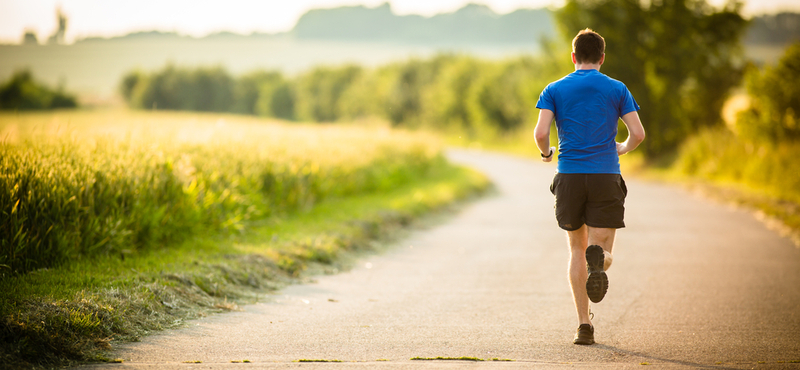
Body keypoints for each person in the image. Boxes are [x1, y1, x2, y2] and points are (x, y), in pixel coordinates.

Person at [533, 28, 646, 345]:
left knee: (575, 250)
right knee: (602, 250)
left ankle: (584, 325)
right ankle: (603, 261)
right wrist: (622, 147)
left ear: (573, 57)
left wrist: (546, 154)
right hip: (604, 175)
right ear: (602, 57)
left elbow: (541, 133)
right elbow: (637, 134)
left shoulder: (554, 88)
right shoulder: (617, 88)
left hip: (569, 176)